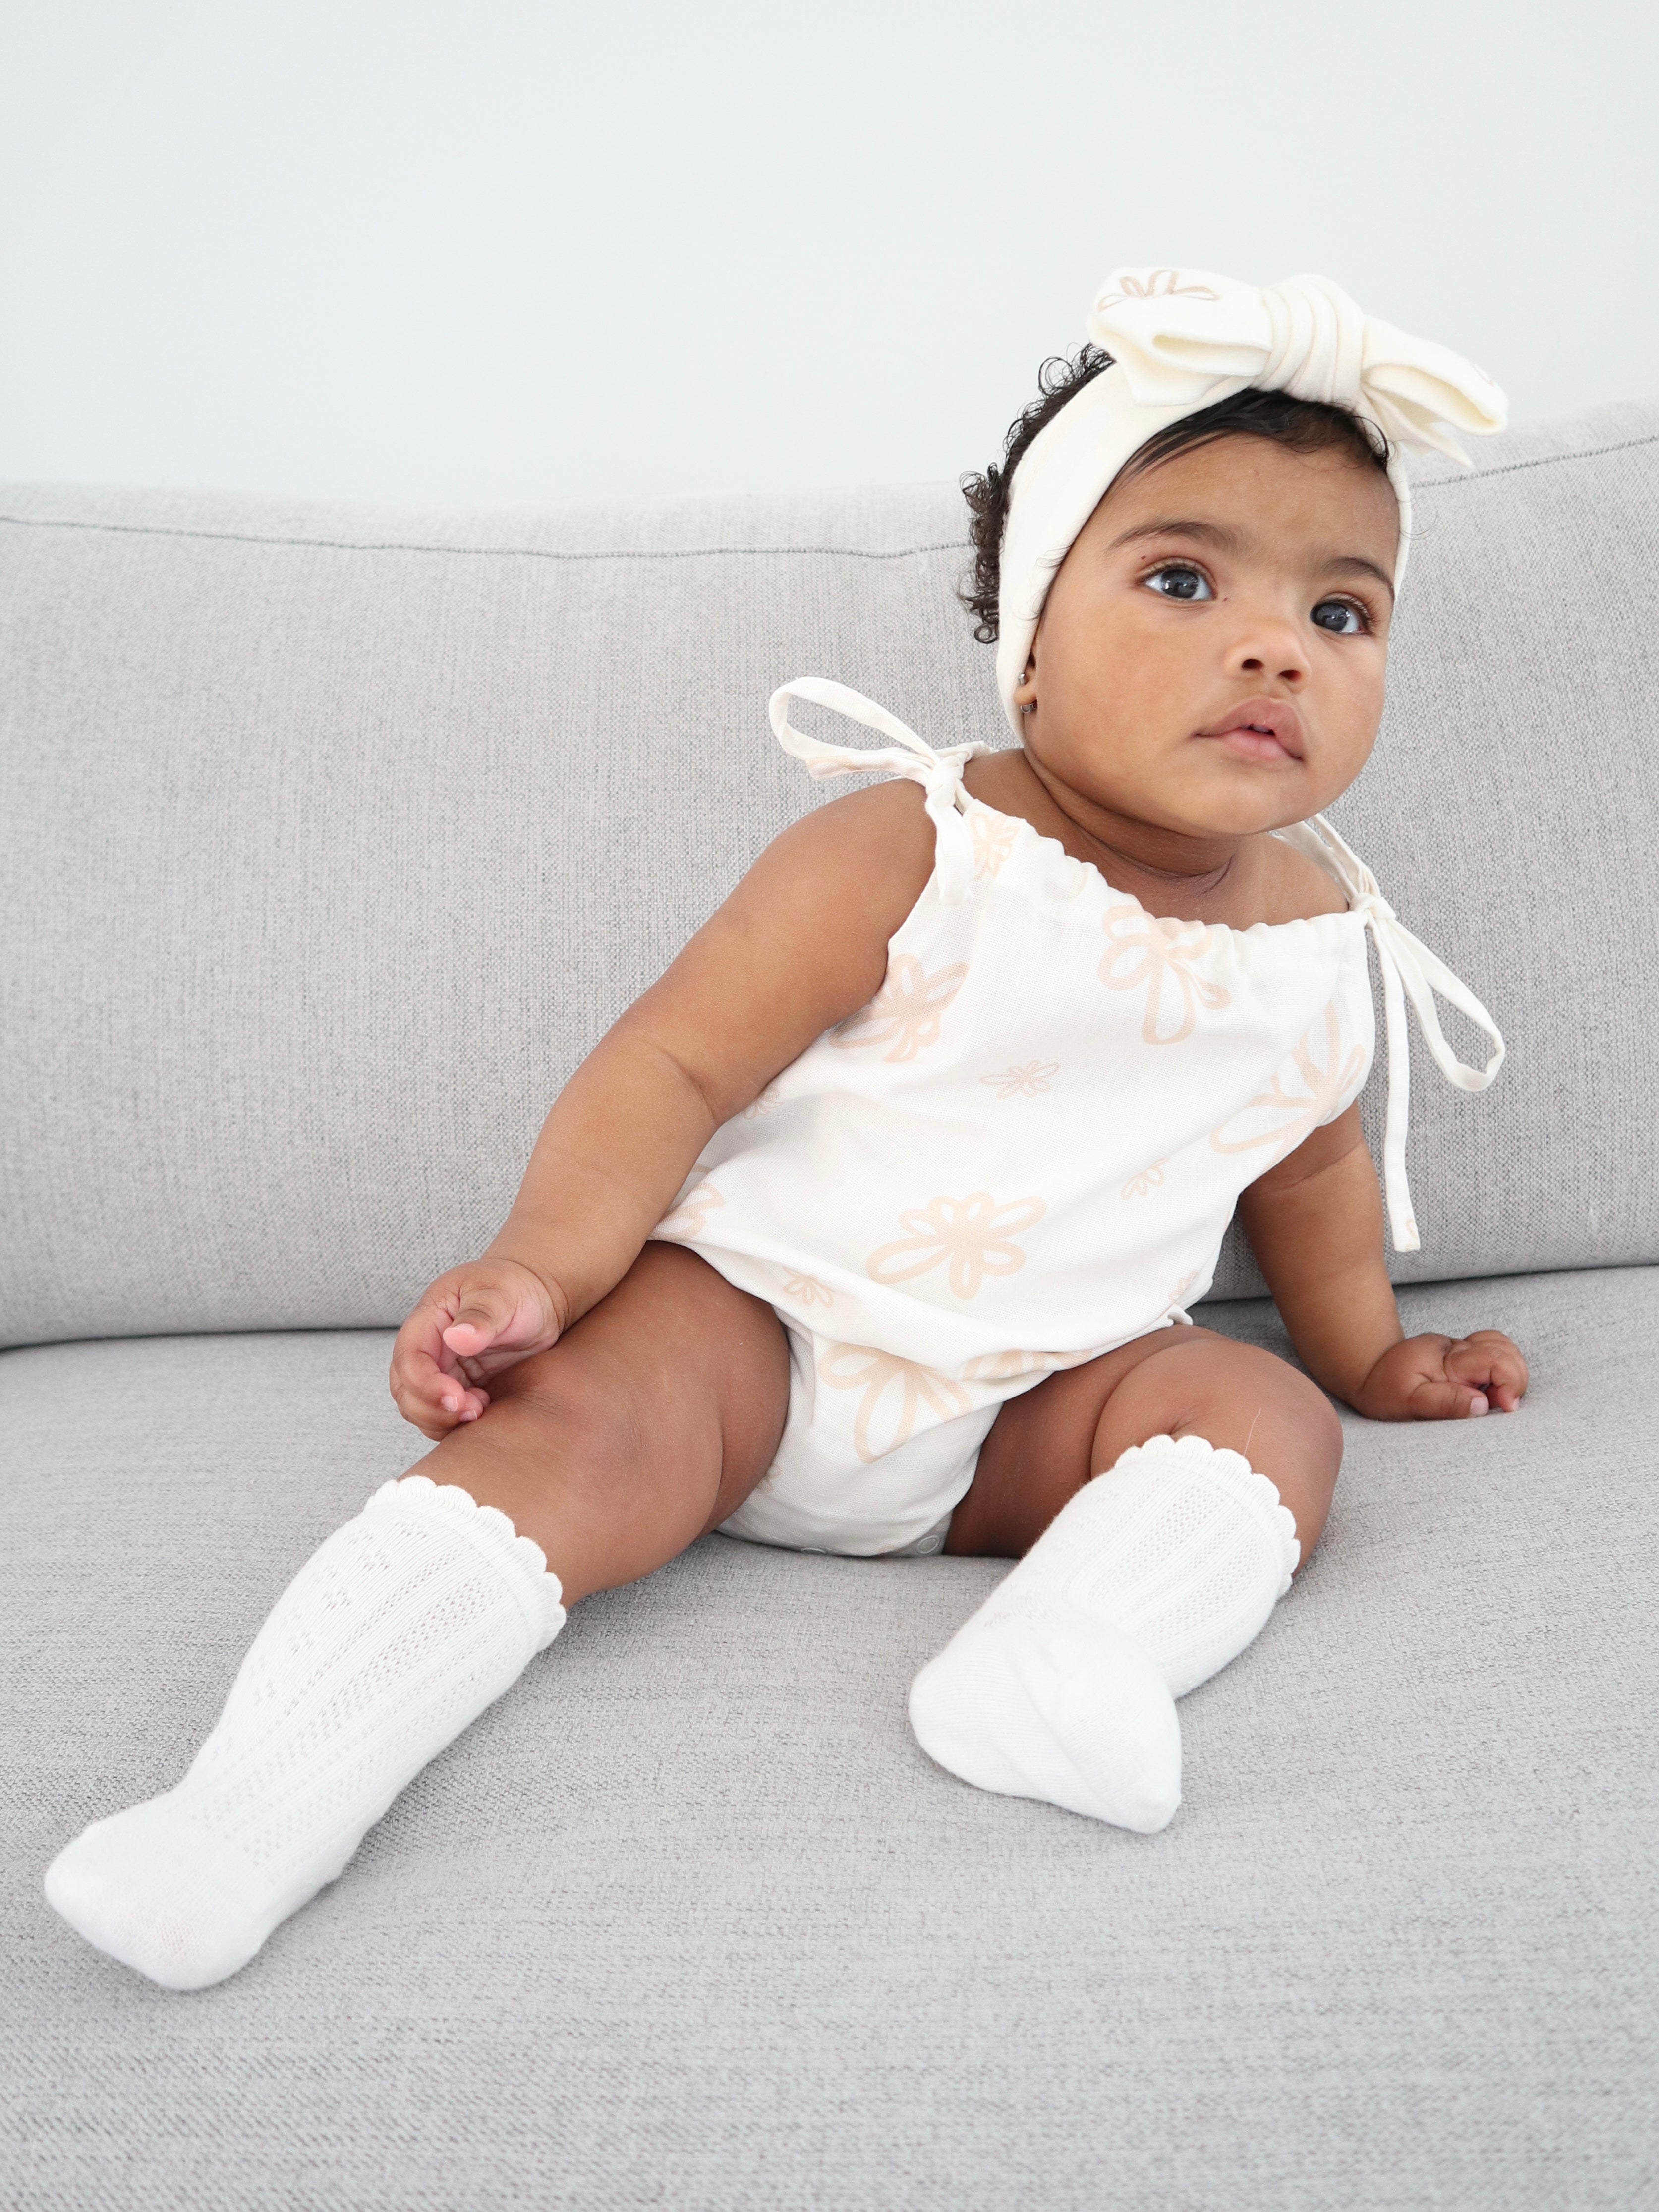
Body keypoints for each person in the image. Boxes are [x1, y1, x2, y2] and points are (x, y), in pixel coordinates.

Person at [46, 266, 1529, 1990]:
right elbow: (673, 1067)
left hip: (1031, 1419)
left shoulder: (1316, 949)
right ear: (1028, 643)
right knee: (576, 1423)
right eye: (1183, 581)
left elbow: (1312, 1166)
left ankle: (1063, 1657)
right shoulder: (920, 845)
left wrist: (1366, 1358)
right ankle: (247, 1807)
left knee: (1257, 1414)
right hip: (761, 1333)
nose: (1274, 644)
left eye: (1341, 614)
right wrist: (541, 1266)